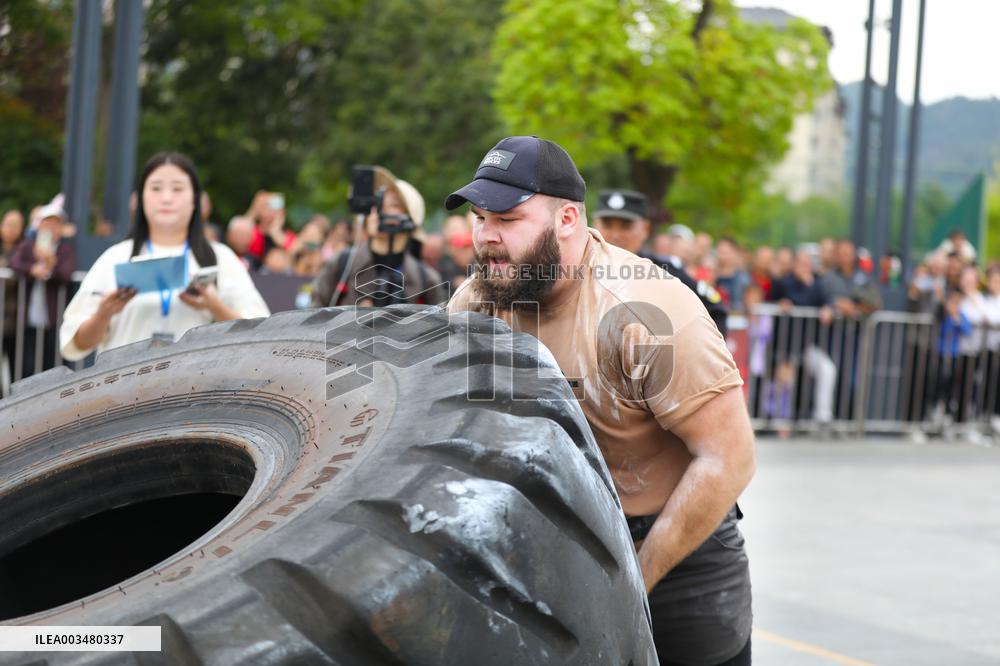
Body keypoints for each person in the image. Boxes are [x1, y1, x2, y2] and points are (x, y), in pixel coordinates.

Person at [445, 136, 755, 665]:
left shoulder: (644, 310)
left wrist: (631, 582)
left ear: (566, 219)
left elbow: (729, 458)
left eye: (508, 219)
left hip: (674, 553)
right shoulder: (479, 301)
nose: (487, 237)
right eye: (479, 218)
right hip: (551, 543)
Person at [60, 152, 270, 361]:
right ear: (140, 198)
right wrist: (104, 314)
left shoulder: (220, 258)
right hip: (121, 380)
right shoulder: (115, 257)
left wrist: (214, 307)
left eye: (177, 189)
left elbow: (260, 331)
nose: (166, 198)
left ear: (195, 199)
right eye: (156, 188)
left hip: (193, 380)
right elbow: (75, 343)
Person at [592, 189, 728, 336]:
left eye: (626, 226)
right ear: (594, 225)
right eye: (607, 225)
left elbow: (716, 310)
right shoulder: (582, 270)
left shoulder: (664, 271)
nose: (616, 235)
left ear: (645, 229)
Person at [312, 168, 445, 307]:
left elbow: (439, 320)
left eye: (393, 205)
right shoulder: (342, 264)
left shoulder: (427, 279)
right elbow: (314, 315)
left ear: (410, 219)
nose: (378, 211)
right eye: (378, 202)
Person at [9, 203, 76, 376]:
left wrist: (51, 265)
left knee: (52, 366)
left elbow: (66, 274)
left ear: (60, 228)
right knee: (27, 366)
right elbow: (14, 263)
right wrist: (32, 269)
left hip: (54, 320)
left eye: (55, 224)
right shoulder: (28, 246)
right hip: (28, 320)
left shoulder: (65, 250)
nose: (50, 228)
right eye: (47, 223)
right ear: (40, 226)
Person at [715, 237, 751, 312]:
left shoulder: (743, 278)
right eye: (720, 251)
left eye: (725, 252)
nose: (722, 256)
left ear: (734, 253)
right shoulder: (711, 275)